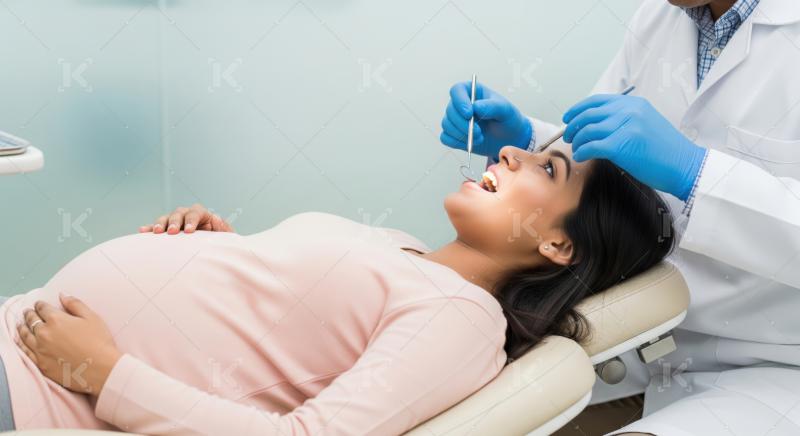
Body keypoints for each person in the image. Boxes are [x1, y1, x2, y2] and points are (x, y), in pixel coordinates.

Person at [6, 142, 672, 435]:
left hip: (36, 393)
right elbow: (282, 334)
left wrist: (105, 372)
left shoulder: (463, 320)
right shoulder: (400, 247)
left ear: (559, 245)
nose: (510, 153)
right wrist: (219, 246)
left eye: (547, 170)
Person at [440, 0, 800, 434]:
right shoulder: (659, 16)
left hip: (773, 366)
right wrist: (531, 140)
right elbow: (595, 168)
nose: (506, 155)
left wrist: (695, 173)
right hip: (636, 340)